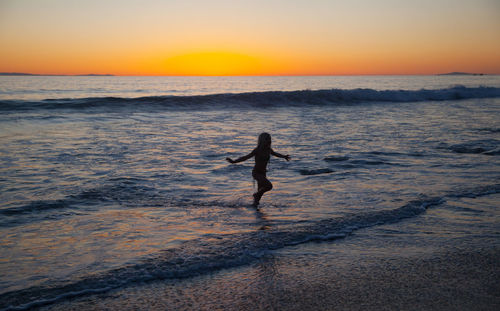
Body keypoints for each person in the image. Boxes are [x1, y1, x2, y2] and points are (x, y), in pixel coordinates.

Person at [226, 133, 290, 207]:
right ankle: (255, 196)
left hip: (263, 173)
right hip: (256, 173)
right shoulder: (257, 150)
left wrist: (284, 156)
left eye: (269, 138)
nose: (269, 140)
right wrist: (234, 161)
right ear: (262, 140)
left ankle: (256, 213)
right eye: (267, 139)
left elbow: (276, 154)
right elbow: (246, 157)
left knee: (258, 198)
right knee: (269, 186)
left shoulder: (269, 149)